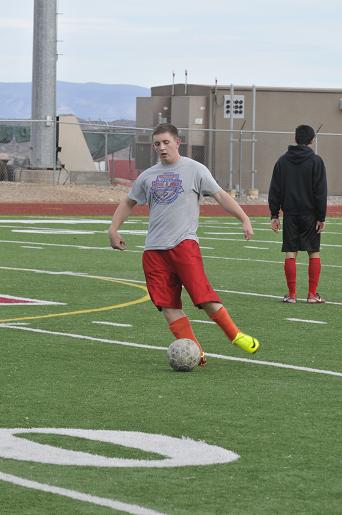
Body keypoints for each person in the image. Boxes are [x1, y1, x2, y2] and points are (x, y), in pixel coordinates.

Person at [108, 123, 260, 366]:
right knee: (167, 305)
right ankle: (196, 353)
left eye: (166, 142)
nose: (161, 147)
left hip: (183, 244)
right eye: (157, 144)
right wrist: (113, 229)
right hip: (153, 251)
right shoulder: (147, 176)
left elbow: (220, 195)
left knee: (204, 298)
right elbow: (128, 203)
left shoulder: (195, 169)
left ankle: (235, 335)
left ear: (178, 142)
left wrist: (244, 218)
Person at [268, 124, 327, 304]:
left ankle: (292, 295)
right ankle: (311, 295)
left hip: (291, 214)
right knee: (313, 252)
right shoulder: (316, 161)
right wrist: (321, 217)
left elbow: (275, 190)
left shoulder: (282, 161)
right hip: (310, 214)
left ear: (295, 138)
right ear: (311, 140)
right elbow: (320, 191)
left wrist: (274, 214)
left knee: (290, 252)